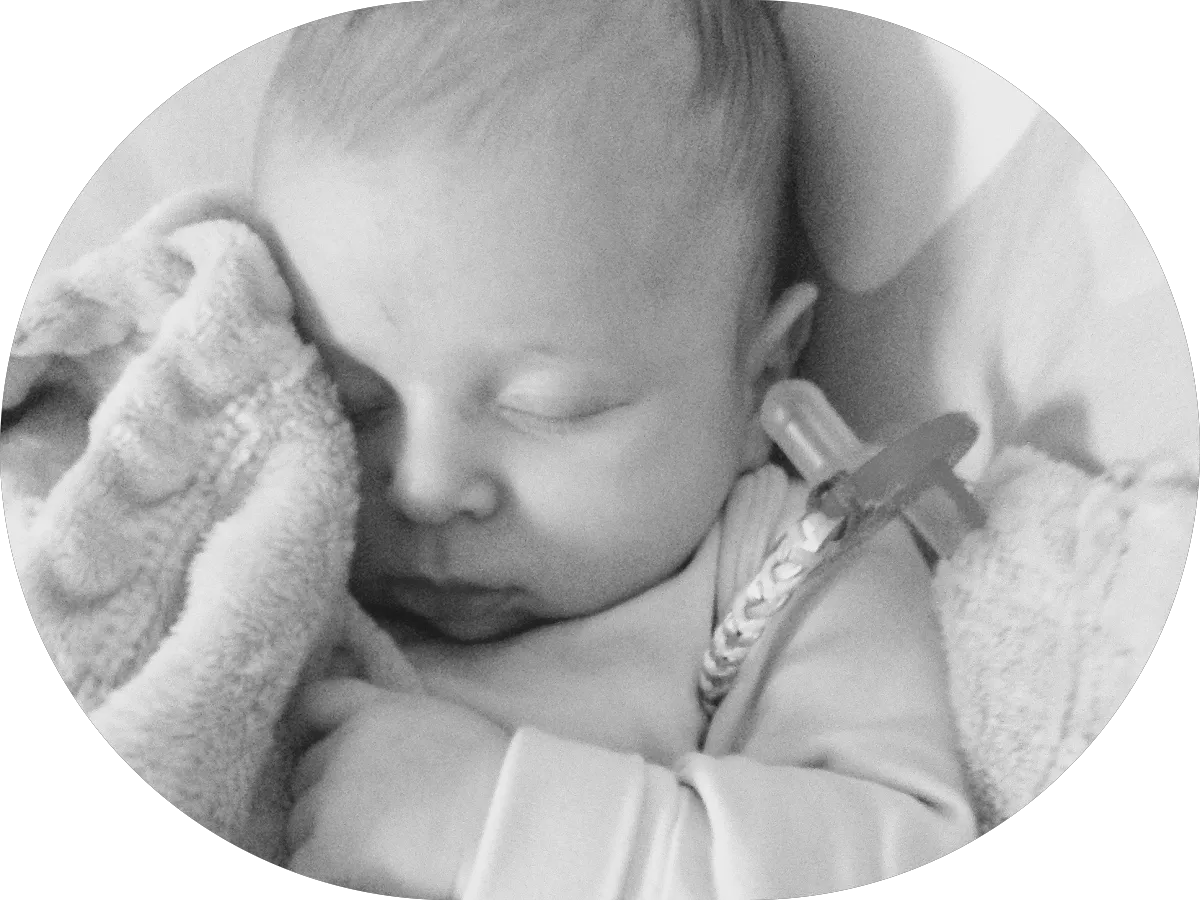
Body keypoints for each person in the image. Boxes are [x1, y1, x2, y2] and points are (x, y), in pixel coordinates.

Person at [252, 1, 977, 896]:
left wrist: (495, 824)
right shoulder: (276, 540)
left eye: (547, 409)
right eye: (353, 400)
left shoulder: (795, 571)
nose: (425, 486)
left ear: (760, 382)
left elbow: (902, 841)